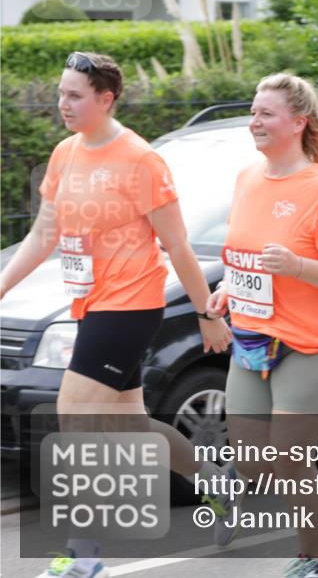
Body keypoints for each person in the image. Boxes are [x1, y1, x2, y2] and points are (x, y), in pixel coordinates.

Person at [0, 52, 235, 578]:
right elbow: (44, 235)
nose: (63, 103)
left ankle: (85, 558)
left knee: (74, 416)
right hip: (89, 304)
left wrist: (205, 314)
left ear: (106, 99)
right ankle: (216, 482)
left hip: (130, 305)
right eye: (61, 93)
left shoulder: (140, 160)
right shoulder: (65, 154)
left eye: (75, 95)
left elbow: (177, 246)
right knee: (132, 424)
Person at [204, 73, 318, 578]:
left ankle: (315, 559)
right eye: (253, 112)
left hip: (317, 344)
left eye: (266, 114)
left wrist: (298, 267)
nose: (254, 121)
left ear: (298, 122)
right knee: (254, 463)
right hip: (254, 339)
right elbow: (246, 253)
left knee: (290, 458)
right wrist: (231, 287)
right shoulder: (248, 178)